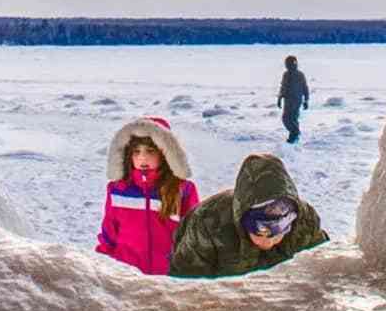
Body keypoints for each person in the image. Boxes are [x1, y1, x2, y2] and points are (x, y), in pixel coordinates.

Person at [169, 152, 327, 278]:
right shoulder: (208, 222)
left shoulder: (305, 219)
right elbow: (185, 286)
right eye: (261, 232)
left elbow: (323, 267)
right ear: (242, 221)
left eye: (281, 230)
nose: (270, 242)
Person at [96, 116, 200, 275]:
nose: (142, 158)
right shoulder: (118, 189)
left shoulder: (182, 189)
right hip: (126, 273)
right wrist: (101, 263)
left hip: (168, 275)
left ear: (165, 154)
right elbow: (109, 231)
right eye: (136, 152)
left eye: (150, 151)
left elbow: (193, 234)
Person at [277, 54, 310, 143]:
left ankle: (294, 134)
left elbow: (305, 87)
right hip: (288, 100)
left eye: (288, 64)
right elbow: (283, 86)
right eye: (286, 64)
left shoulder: (299, 75)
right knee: (288, 118)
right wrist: (280, 98)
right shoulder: (286, 74)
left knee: (290, 118)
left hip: (296, 100)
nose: (286, 66)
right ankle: (294, 134)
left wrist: (306, 100)